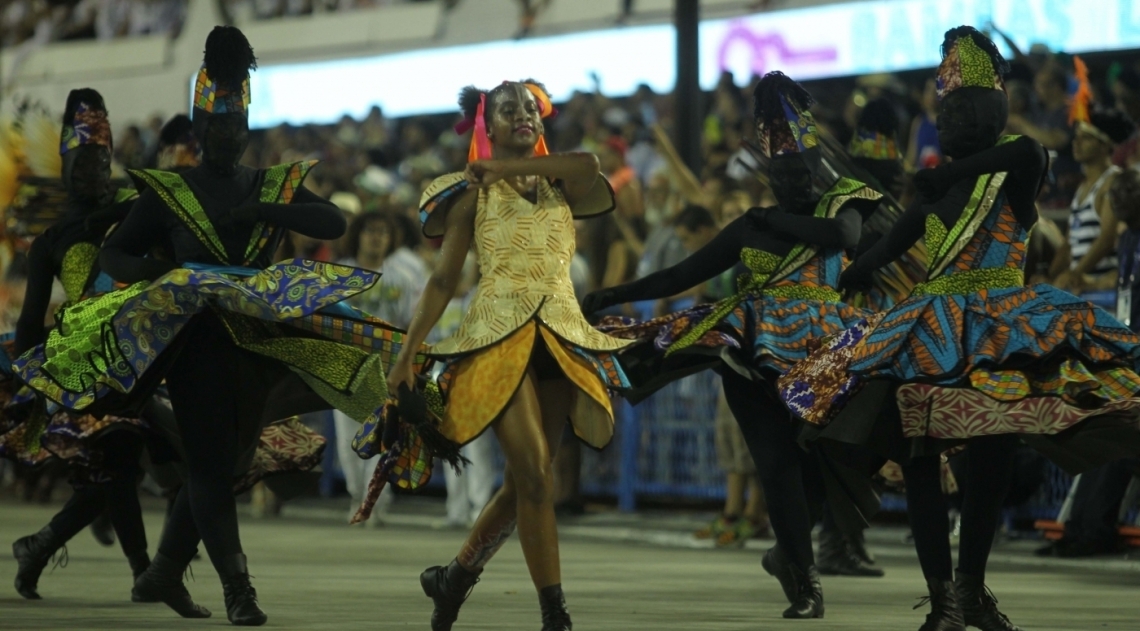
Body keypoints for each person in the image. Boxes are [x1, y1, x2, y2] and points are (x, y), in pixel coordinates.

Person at [12, 27, 389, 626]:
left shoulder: (262, 183)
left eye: (237, 130)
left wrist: (264, 210)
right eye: (217, 129)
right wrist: (166, 274)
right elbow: (116, 257)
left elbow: (333, 221)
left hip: (256, 343)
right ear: (201, 124)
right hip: (190, 347)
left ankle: (162, 570)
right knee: (207, 466)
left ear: (246, 129)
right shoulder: (172, 190)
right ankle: (238, 588)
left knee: (228, 461)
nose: (227, 139)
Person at [779, 27, 1140, 631]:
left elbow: (1027, 152)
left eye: (964, 110)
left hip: (998, 327)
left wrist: (947, 176)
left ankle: (970, 588)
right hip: (929, 333)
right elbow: (878, 258)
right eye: (944, 114)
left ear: (994, 112)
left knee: (992, 460)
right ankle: (943, 597)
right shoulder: (928, 196)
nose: (949, 123)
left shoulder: (1012, 170)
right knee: (920, 457)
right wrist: (837, 275)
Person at [583, 71, 884, 619]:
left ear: (815, 167)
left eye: (798, 172)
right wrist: (614, 293)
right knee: (775, 466)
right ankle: (805, 579)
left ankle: (786, 550)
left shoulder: (844, 200)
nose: (790, 182)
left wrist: (775, 217)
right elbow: (680, 272)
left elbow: (843, 240)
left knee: (823, 462)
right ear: (769, 174)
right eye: (780, 174)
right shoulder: (750, 225)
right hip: (754, 351)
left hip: (828, 351)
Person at [381, 79, 630, 631]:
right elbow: (444, 280)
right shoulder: (469, 193)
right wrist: (407, 355)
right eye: (507, 109)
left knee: (524, 485)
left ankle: (455, 578)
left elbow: (590, 163)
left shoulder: (566, 183)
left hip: (560, 339)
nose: (522, 114)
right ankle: (555, 615)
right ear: (486, 127)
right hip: (496, 337)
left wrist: (500, 168)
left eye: (529, 107)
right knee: (538, 479)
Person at [2, 88, 151, 601]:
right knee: (120, 462)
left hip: (142, 351)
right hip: (83, 364)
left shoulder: (134, 207)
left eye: (102, 159)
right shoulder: (51, 239)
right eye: (83, 161)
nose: (93, 170)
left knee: (117, 468)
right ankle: (143, 574)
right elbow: (28, 324)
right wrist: (26, 379)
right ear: (64, 165)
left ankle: (41, 547)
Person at [332, 211, 424, 525]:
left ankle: (375, 503)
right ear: (357, 234)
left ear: (391, 238)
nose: (375, 237)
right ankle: (357, 495)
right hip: (345, 367)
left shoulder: (403, 277)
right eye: (370, 231)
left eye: (382, 232)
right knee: (348, 444)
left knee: (382, 438)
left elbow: (412, 322)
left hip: (386, 369)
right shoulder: (340, 273)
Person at [1051, 96, 1136, 293]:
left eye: (1086, 137)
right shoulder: (1083, 187)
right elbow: (1068, 245)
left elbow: (1107, 238)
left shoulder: (1113, 182)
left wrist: (1075, 274)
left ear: (1105, 145)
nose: (1076, 142)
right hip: (1081, 285)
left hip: (1102, 287)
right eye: (1077, 136)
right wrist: (1049, 276)